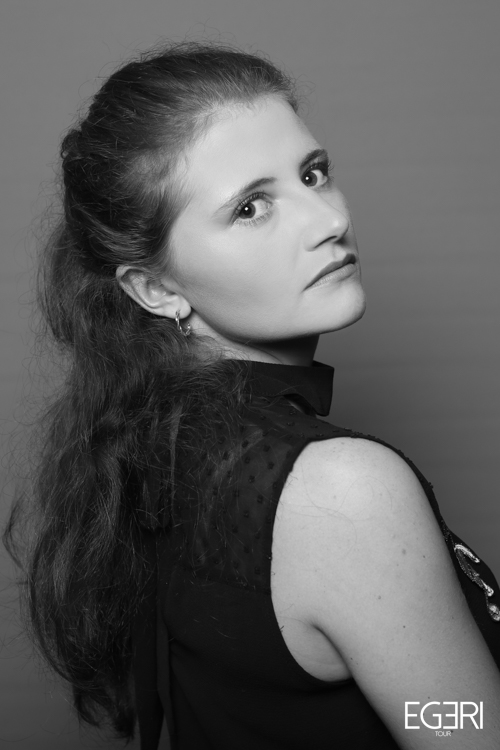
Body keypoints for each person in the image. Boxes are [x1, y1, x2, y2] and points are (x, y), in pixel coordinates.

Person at [3, 41, 500, 750]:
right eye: (250, 208)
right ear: (155, 289)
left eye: (314, 174)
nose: (328, 220)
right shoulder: (340, 490)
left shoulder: (161, 447)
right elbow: (466, 727)